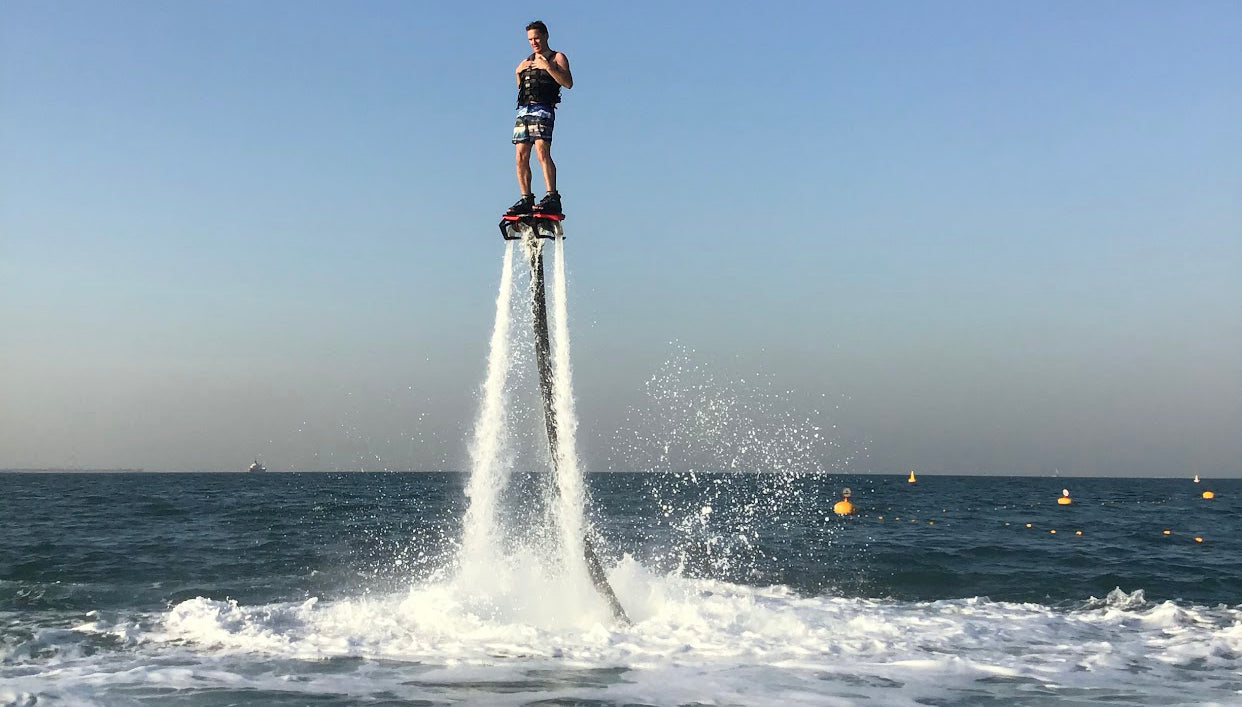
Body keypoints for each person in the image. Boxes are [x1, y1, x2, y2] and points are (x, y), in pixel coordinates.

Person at [506, 20, 573, 216]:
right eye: (530, 39)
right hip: (524, 110)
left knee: (542, 151)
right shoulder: (526, 60)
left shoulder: (557, 57)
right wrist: (518, 73)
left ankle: (552, 196)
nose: (533, 42)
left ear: (545, 36)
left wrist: (548, 67)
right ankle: (526, 198)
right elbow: (523, 88)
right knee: (520, 155)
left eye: (536, 37)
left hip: (543, 109)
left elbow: (568, 83)